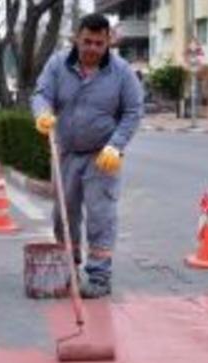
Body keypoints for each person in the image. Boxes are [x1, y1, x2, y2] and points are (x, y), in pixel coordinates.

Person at [31, 13, 144, 298]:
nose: (92, 48)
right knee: (63, 214)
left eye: (99, 43)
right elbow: (41, 94)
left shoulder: (121, 72)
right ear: (76, 38)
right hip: (66, 153)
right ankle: (69, 267)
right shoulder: (57, 65)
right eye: (87, 42)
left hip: (102, 156)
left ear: (108, 42)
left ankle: (99, 276)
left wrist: (116, 145)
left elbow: (133, 111)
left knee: (100, 216)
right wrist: (42, 112)